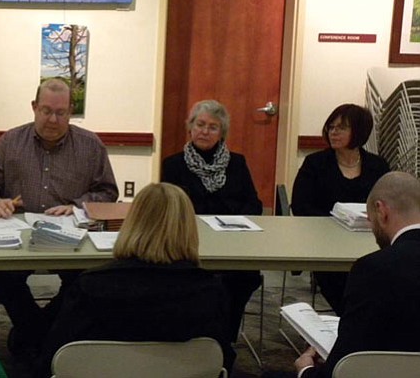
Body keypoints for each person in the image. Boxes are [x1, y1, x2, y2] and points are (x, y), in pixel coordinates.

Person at [0, 78, 118, 356]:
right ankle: (44, 333)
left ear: (70, 111)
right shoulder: (11, 141)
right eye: (46, 111)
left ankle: (32, 332)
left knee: (90, 277)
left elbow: (108, 192)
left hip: (73, 237)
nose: (53, 119)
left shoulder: (90, 145)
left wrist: (77, 207)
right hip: (18, 236)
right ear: (34, 107)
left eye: (61, 113)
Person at [34, 182, 235, 377]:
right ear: (189, 229)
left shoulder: (91, 286)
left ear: (131, 223)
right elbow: (221, 359)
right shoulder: (208, 291)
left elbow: (53, 359)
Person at [291, 171, 420, 378]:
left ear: (381, 211)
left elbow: (345, 366)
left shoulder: (374, 269)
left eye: (370, 221)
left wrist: (305, 370)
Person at [161, 99, 262, 342]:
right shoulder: (173, 165)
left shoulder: (237, 163)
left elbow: (254, 206)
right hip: (188, 244)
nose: (205, 131)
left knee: (238, 280)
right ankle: (199, 338)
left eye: (213, 127)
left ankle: (223, 341)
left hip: (233, 243)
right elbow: (170, 210)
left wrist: (229, 217)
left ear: (222, 133)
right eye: (200, 124)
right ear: (190, 127)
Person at [291, 103, 389, 314]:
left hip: (368, 242)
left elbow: (386, 206)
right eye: (331, 127)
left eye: (341, 128)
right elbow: (301, 206)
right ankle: (351, 323)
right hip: (324, 243)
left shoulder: (378, 166)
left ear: (359, 132)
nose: (333, 132)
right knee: (343, 282)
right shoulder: (315, 163)